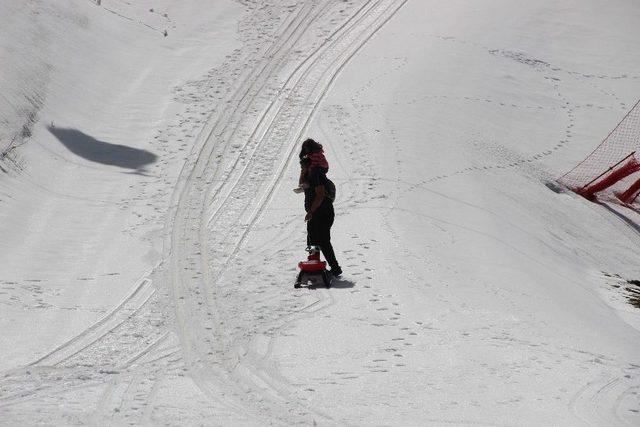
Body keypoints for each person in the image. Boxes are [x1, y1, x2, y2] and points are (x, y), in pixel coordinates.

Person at [300, 155, 342, 277]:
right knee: (311, 237)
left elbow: (320, 196)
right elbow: (302, 184)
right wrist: (303, 172)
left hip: (324, 213)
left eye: (302, 166)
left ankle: (335, 268)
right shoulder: (308, 176)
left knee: (323, 241)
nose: (301, 169)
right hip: (316, 213)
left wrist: (310, 212)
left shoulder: (317, 177)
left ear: (309, 166)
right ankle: (313, 263)